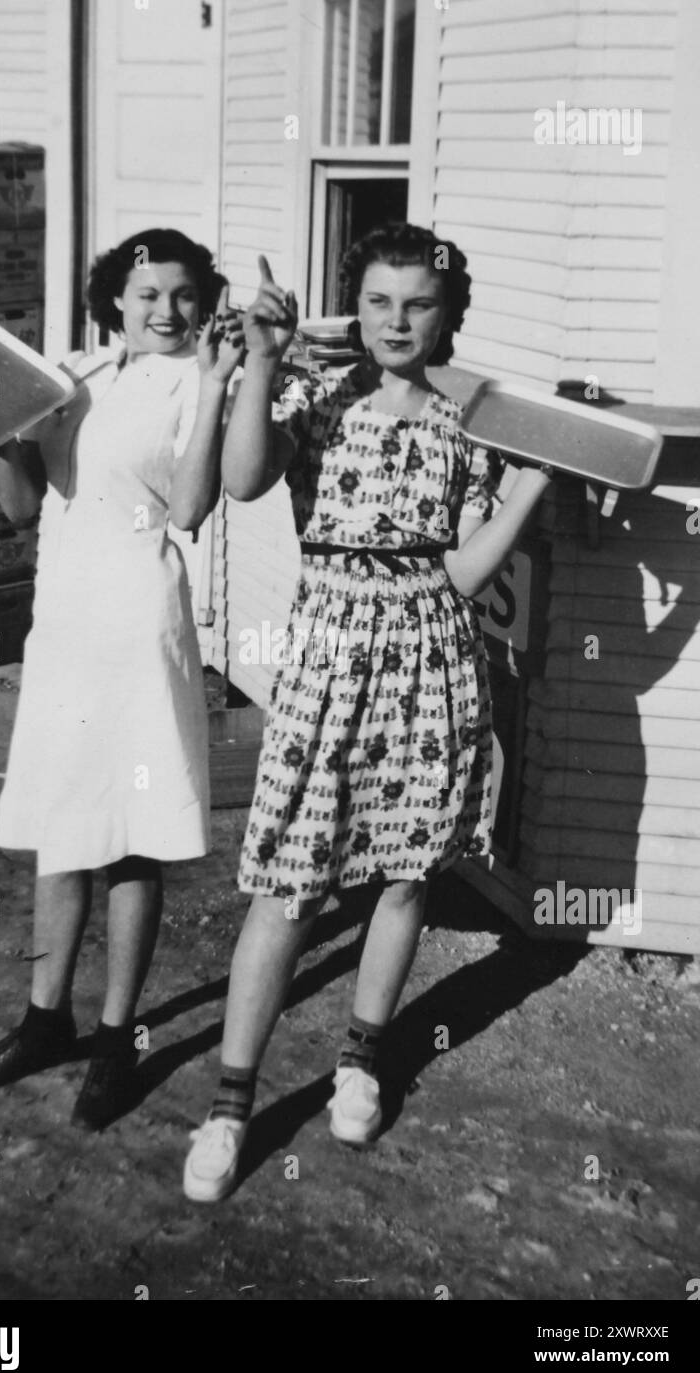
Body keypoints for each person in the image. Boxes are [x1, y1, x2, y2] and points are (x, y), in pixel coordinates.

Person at [183, 223, 554, 1201]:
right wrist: (259, 365)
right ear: (357, 307)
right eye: (379, 301)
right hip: (326, 658)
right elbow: (241, 478)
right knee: (287, 881)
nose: (396, 321)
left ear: (445, 315)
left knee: (401, 876)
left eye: (417, 303)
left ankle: (359, 1057)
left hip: (430, 660)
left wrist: (533, 484)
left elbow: (463, 571)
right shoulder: (315, 395)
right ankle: (228, 1106)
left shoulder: (469, 423)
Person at [0, 228, 244, 1129]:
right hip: (65, 628)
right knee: (61, 826)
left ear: (204, 303)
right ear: (114, 297)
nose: (165, 309)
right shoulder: (70, 374)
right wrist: (4, 438)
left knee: (130, 836)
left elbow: (193, 508)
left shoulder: (201, 384)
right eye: (146, 291)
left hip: (139, 625)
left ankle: (119, 1040)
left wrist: (217, 382)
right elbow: (21, 505)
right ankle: (46, 1020)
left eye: (184, 294)